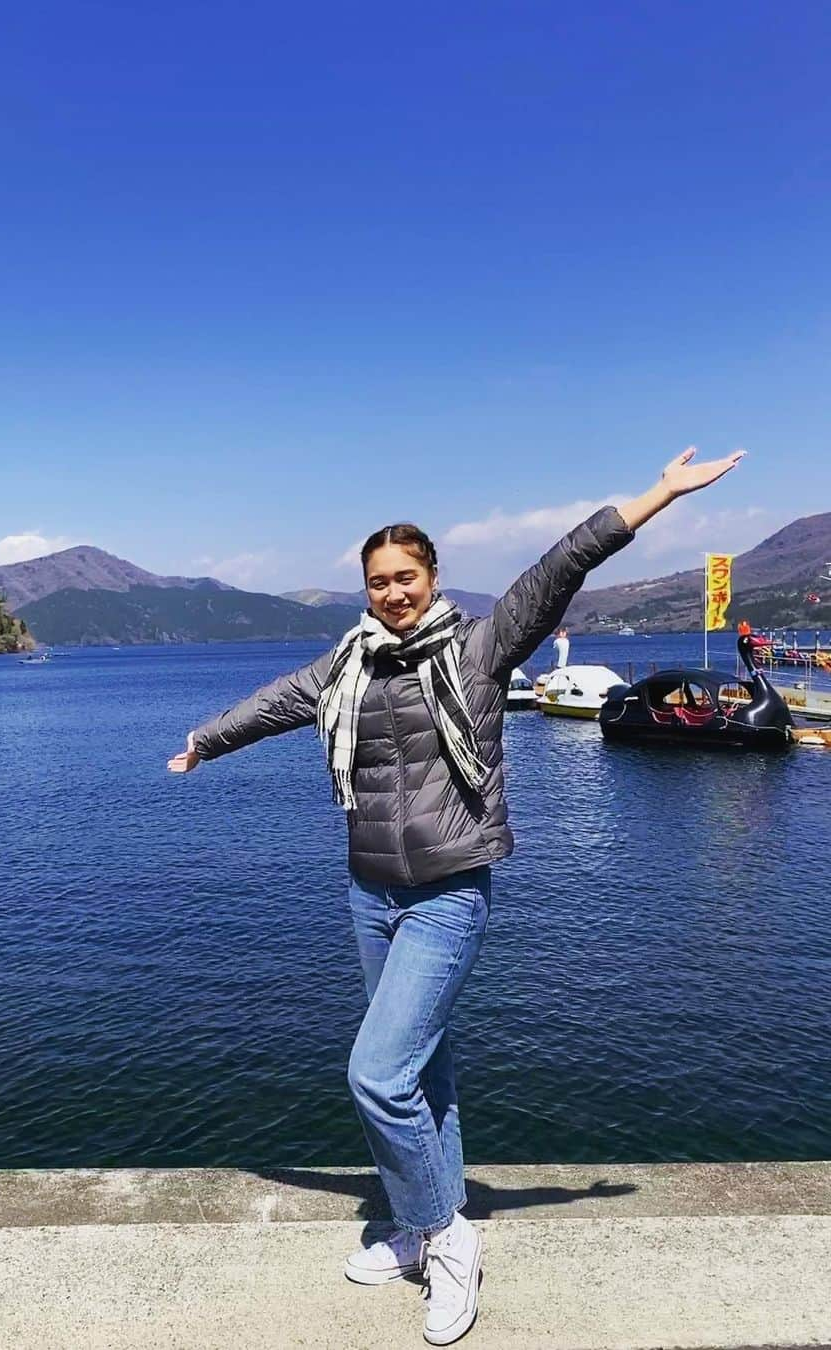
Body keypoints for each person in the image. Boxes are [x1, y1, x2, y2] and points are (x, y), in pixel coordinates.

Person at [167, 446, 743, 1345]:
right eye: (378, 581)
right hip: (370, 892)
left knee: (375, 1073)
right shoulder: (350, 663)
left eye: (406, 576)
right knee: (423, 1075)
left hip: (447, 894)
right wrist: (207, 738)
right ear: (365, 590)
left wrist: (658, 494)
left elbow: (561, 565)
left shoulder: (481, 647)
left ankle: (445, 1237)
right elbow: (280, 701)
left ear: (433, 576)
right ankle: (411, 1222)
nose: (393, 593)